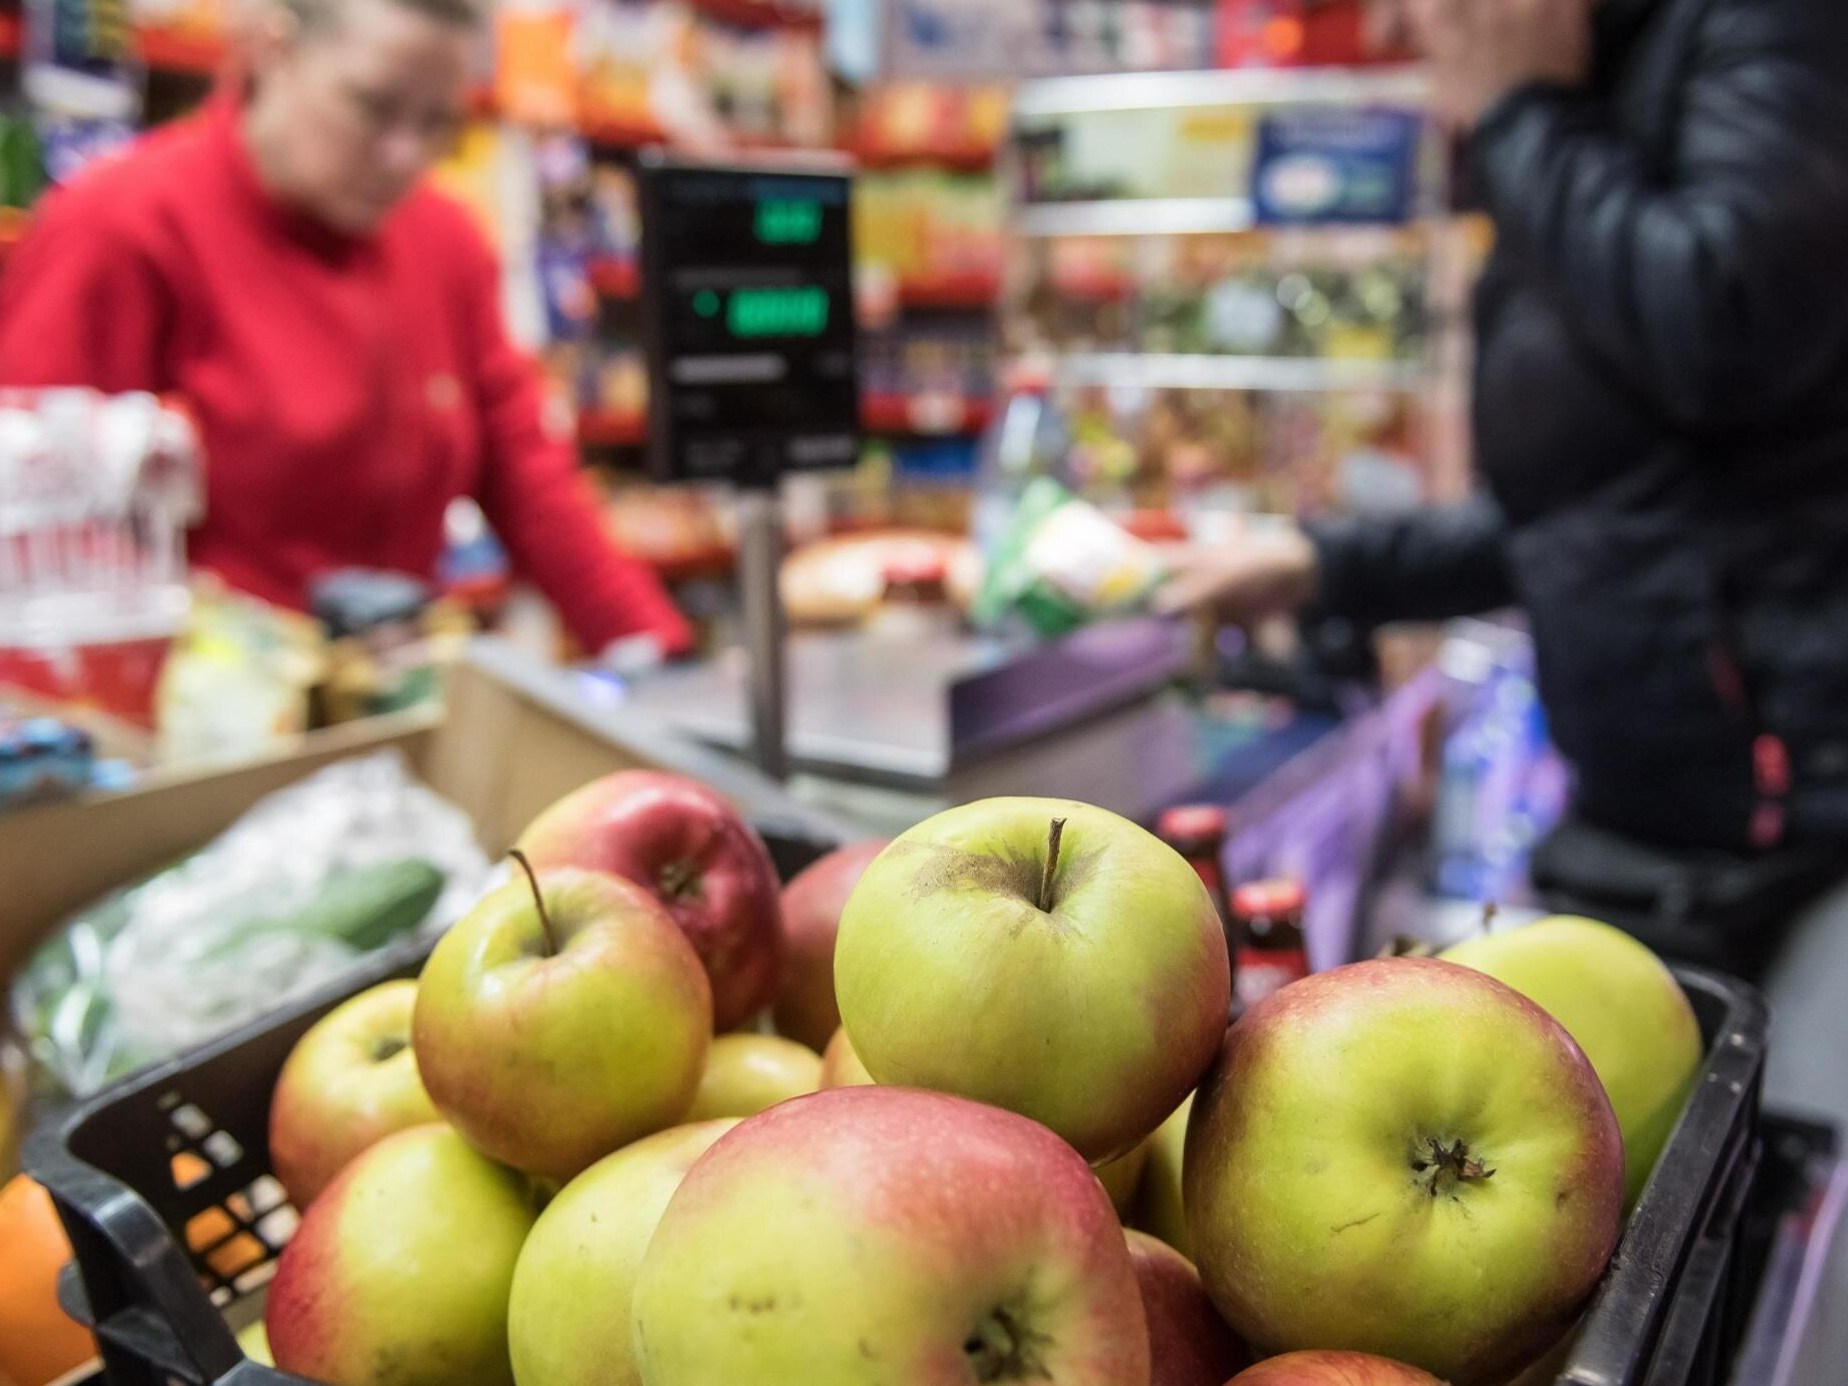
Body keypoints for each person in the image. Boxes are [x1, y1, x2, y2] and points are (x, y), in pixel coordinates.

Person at [1164, 0, 1848, 1130]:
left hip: (1773, 841)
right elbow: (1597, 509)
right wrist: (1329, 564)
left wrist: (1525, 111)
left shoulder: (1752, 37)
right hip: (1654, 823)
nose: (1413, 25)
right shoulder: (1606, 91)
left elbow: (1725, 323)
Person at [0, 0, 692, 664]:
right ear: (272, 51)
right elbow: (34, 522)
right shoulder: (119, 226)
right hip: (194, 730)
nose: (405, 155)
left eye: (437, 124)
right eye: (373, 107)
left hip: (390, 698)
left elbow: (530, 479)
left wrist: (656, 652)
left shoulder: (444, 240)